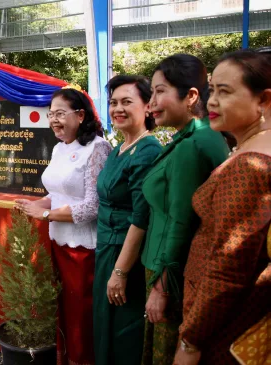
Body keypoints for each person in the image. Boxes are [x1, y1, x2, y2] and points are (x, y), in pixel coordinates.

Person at [174, 50, 271, 365]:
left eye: (225, 92)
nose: (211, 101)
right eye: (212, 90)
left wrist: (191, 341)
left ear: (264, 100)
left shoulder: (250, 165)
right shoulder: (248, 148)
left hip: (223, 328)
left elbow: (228, 269)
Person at [140, 54, 230, 365]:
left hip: (172, 275)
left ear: (191, 96)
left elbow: (182, 221)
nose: (151, 102)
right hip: (171, 268)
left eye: (160, 91)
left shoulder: (194, 145)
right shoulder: (194, 138)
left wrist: (162, 288)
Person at [15, 88, 111, 365]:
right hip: (58, 242)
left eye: (60, 114)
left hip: (84, 250)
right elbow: (57, 194)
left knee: (83, 315)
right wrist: (37, 204)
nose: (54, 120)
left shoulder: (97, 148)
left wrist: (45, 215)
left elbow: (94, 207)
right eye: (51, 114)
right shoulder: (58, 148)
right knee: (65, 313)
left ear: (80, 115)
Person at [93, 75, 162, 365]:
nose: (117, 108)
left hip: (126, 255)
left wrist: (120, 272)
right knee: (104, 327)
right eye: (113, 103)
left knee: (123, 333)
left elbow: (141, 217)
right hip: (106, 249)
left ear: (147, 106)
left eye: (126, 102)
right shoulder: (120, 147)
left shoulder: (147, 151)